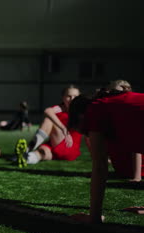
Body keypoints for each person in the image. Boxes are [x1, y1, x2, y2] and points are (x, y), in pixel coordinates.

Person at [68, 89, 144, 223]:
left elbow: (100, 167)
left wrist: (94, 217)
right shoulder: (111, 107)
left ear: (80, 117)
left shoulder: (96, 110)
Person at [15, 85, 82, 168]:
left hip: (69, 147)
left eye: (75, 96)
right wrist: (63, 128)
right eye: (68, 96)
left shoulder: (81, 111)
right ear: (63, 97)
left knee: (49, 120)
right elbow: (48, 111)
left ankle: (28, 149)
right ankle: (26, 157)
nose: (72, 99)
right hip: (54, 145)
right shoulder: (60, 108)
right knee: (42, 152)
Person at [94, 80, 142, 182]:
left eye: (126, 89)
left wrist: (137, 177)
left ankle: (136, 174)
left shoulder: (128, 108)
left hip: (135, 167)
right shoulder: (111, 107)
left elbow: (135, 144)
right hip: (122, 167)